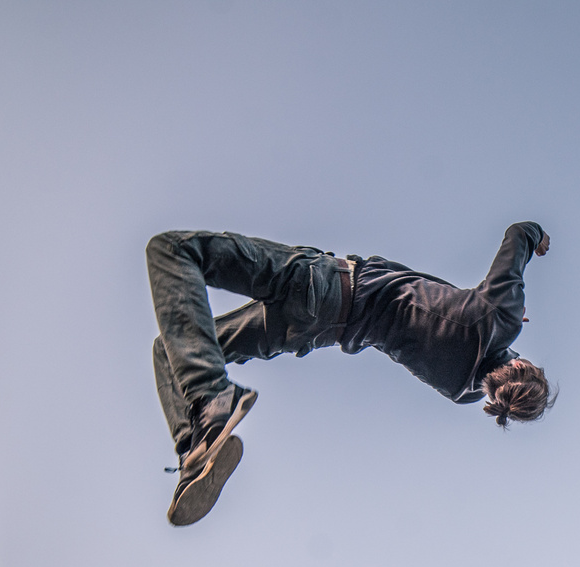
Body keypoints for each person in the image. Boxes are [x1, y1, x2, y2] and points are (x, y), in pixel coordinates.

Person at [148, 221, 553, 526]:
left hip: (325, 283)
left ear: (521, 365)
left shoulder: (497, 318)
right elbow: (442, 323)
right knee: (170, 349)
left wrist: (538, 241)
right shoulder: (461, 389)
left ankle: (209, 395)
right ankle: (197, 451)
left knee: (172, 250)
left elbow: (519, 234)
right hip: (315, 331)